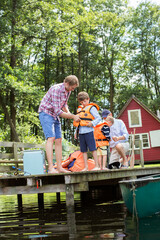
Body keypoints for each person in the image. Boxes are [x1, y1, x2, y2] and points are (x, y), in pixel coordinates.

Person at [38, 75, 80, 174]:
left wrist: (70, 113)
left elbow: (64, 105)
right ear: (67, 83)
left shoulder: (67, 91)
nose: (72, 90)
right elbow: (58, 111)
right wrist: (73, 116)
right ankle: (51, 168)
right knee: (51, 138)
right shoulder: (56, 90)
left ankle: (60, 167)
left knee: (59, 139)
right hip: (46, 113)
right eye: (72, 87)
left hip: (54, 115)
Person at [74, 91, 101, 171]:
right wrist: (76, 132)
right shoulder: (79, 109)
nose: (83, 103)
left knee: (93, 149)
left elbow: (98, 118)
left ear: (88, 99)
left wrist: (92, 123)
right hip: (81, 132)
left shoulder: (91, 108)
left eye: (85, 101)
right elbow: (78, 122)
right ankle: (85, 167)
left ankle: (96, 166)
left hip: (89, 131)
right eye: (82, 102)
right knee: (83, 150)